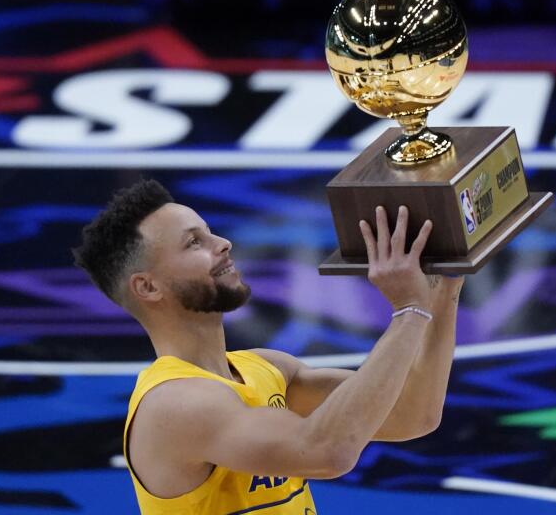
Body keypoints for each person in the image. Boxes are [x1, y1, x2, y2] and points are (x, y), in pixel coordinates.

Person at [72, 179, 464, 515]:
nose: (223, 243)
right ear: (148, 287)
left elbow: (412, 413)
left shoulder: (267, 369)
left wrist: (442, 293)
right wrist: (409, 311)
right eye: (194, 243)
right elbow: (326, 452)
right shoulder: (174, 404)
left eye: (209, 232)